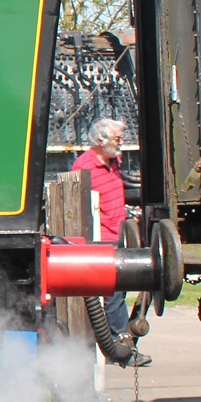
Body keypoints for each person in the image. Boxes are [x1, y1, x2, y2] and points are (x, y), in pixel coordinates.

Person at [68, 118, 150, 366]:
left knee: (118, 292)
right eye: (117, 139)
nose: (121, 142)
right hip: (101, 240)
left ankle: (117, 345)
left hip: (118, 235)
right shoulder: (84, 167)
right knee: (113, 294)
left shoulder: (114, 161)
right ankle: (120, 348)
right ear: (100, 141)